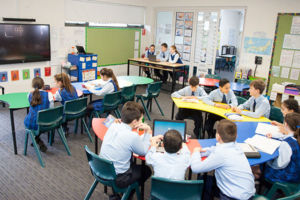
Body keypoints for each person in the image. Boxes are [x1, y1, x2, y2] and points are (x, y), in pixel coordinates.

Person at [191, 119, 255, 200]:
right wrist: (206, 151)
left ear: (217, 136)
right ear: (236, 136)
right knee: (207, 180)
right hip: (247, 193)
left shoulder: (220, 153)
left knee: (203, 182)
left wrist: (196, 152)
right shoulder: (237, 146)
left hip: (233, 197)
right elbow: (217, 148)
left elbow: (195, 168)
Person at [100, 101, 152, 190]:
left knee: (130, 160)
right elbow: (143, 152)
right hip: (118, 178)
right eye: (141, 120)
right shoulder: (132, 136)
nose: (142, 122)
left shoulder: (113, 125)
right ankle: (126, 192)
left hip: (100, 170)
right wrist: (148, 131)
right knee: (147, 170)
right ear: (135, 122)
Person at [264, 112, 300, 183]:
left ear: (285, 124)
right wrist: (274, 135)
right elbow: (285, 136)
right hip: (296, 173)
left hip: (288, 177)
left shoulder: (286, 144)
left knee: (261, 166)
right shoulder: (296, 136)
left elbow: (279, 165)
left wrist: (268, 162)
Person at [24, 77, 54, 152]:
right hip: (46, 122)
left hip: (32, 122)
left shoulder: (29, 95)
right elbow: (51, 109)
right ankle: (37, 139)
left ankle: (37, 140)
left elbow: (32, 108)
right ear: (43, 85)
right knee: (40, 122)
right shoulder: (49, 95)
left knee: (31, 123)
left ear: (32, 85)